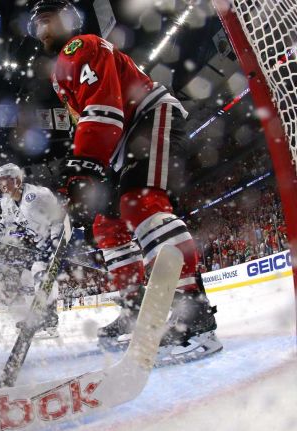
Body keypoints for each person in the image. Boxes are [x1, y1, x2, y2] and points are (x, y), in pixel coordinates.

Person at [28, 0, 221, 360]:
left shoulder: (81, 46)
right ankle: (135, 312)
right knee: (106, 226)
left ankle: (193, 321)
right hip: (121, 141)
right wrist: (80, 172)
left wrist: (85, 165)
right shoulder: (60, 71)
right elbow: (92, 119)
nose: (42, 27)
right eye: (37, 22)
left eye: (48, 19)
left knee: (140, 202)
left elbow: (104, 109)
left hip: (148, 118)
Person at [0, 162, 65, 337]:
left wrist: (56, 240)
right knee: (26, 278)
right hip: (40, 243)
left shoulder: (37, 195)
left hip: (56, 238)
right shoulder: (7, 202)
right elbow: (6, 221)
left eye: (4, 180)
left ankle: (49, 321)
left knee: (40, 272)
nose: (1, 185)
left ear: (16, 180)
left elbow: (59, 215)